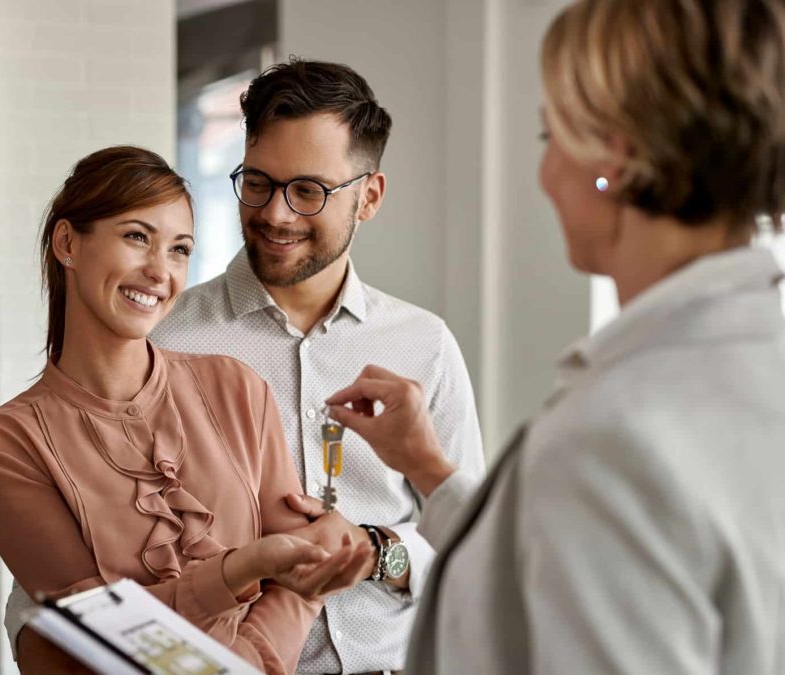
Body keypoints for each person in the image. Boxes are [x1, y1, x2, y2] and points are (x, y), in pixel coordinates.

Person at [325, 1, 785, 673]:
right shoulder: (753, 367)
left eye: (550, 137)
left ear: (615, 158)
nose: (545, 176)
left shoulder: (617, 437)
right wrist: (428, 468)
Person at [4, 59, 488, 674]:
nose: (277, 215)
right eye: (258, 183)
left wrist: (376, 551)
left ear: (369, 197)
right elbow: (69, 561)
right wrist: (36, 633)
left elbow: (469, 544)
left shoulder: (425, 345)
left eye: (308, 191)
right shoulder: (165, 336)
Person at [0, 146, 372, 674]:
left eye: (180, 250)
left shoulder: (237, 388)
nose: (160, 271)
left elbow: (302, 579)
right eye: (137, 237)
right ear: (67, 243)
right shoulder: (4, 445)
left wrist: (246, 660)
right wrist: (242, 568)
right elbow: (96, 630)